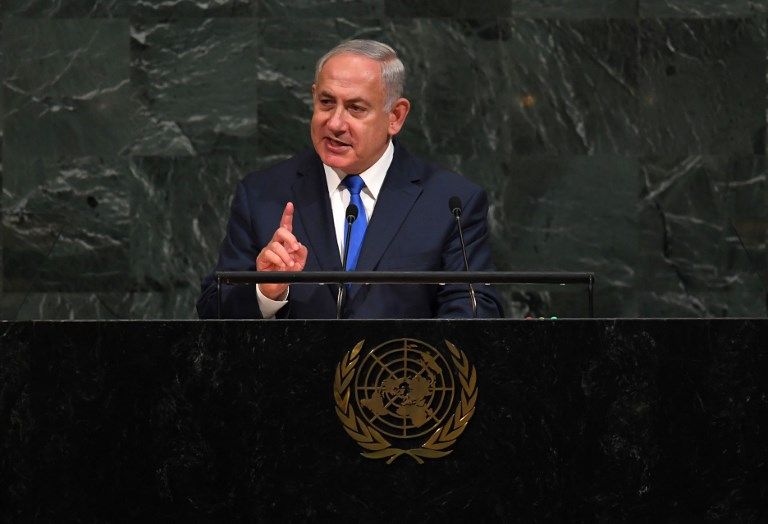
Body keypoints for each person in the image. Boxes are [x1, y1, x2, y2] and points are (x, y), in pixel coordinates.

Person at [197, 39, 502, 319]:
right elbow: (212, 311)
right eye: (326, 103)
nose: (335, 123)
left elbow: (476, 309)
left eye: (356, 108)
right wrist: (266, 290)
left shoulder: (450, 202)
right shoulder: (263, 194)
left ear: (395, 116)